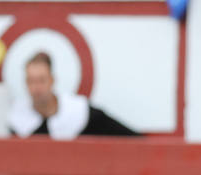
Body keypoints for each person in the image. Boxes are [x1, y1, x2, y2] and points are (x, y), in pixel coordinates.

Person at [8, 52, 137, 139]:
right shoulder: (17, 120)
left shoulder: (78, 111)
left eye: (41, 80)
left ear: (52, 80)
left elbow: (128, 137)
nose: (36, 88)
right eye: (31, 81)